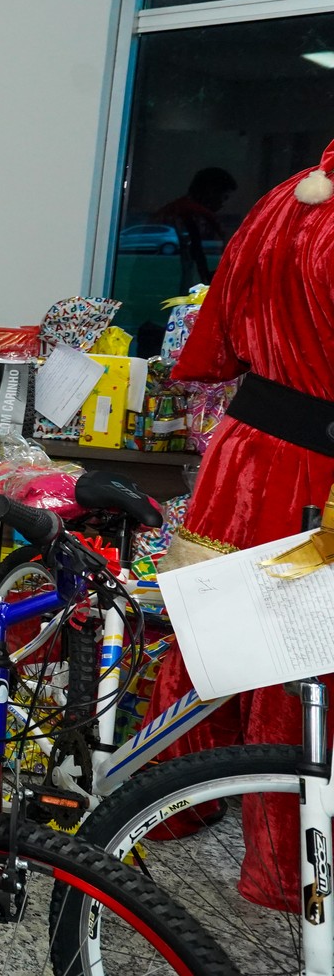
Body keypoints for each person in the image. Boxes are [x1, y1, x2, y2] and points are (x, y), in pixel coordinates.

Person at [145, 138, 334, 911]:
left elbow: (214, 338)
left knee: (212, 635)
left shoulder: (282, 198)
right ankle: (288, 866)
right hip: (319, 474)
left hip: (246, 451)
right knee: (307, 664)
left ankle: (169, 805)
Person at [155, 166, 237, 285]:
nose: (223, 203)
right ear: (211, 192)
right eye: (223, 197)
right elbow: (196, 252)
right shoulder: (193, 214)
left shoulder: (175, 209)